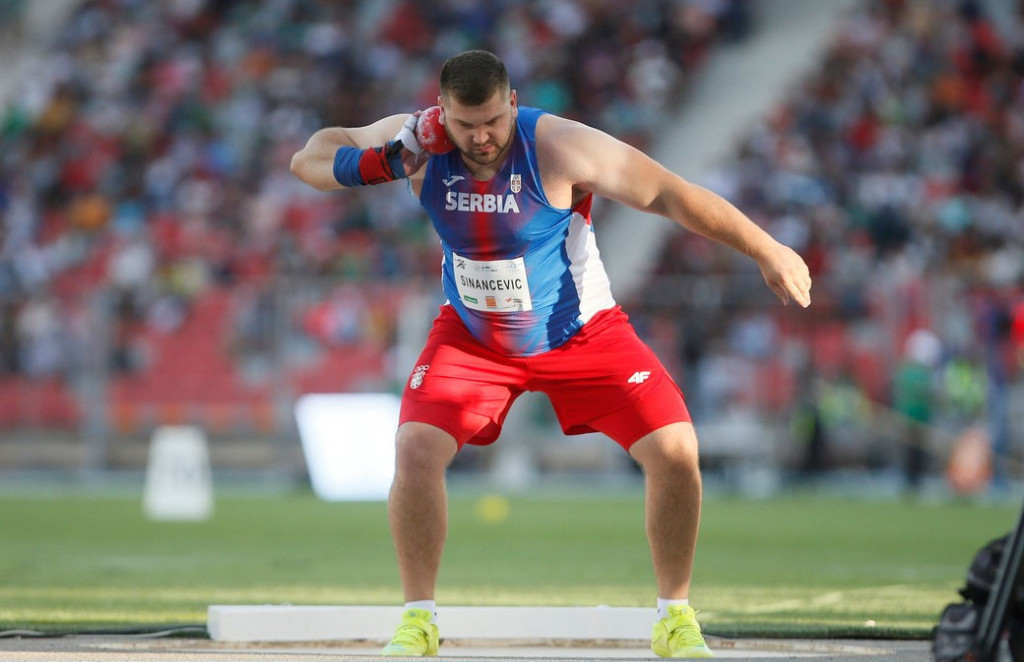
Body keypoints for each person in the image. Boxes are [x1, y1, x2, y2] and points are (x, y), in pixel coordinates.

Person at [290, 49, 812, 658]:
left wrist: (766, 248)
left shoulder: (560, 146)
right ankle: (418, 619)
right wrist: (387, 161)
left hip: (582, 333)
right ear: (442, 114)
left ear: (512, 103)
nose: (481, 138)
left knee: (675, 449)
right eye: (465, 125)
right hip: (474, 337)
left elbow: (668, 193)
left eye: (493, 121)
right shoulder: (417, 144)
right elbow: (310, 160)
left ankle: (676, 616)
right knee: (414, 447)